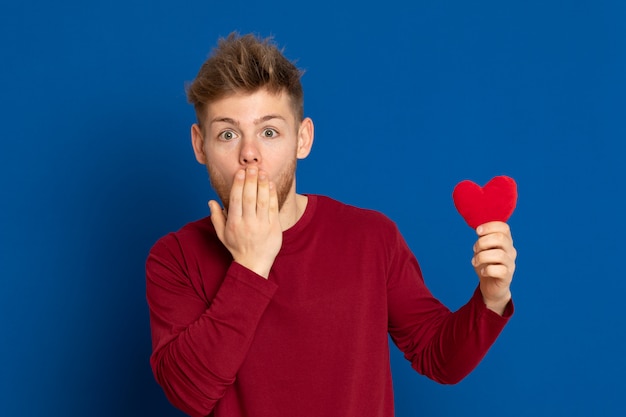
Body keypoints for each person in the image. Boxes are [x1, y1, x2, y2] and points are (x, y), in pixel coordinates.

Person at [146, 32, 517, 417]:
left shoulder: (372, 238)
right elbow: (188, 393)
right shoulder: (174, 258)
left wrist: (491, 298)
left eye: (269, 132)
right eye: (227, 134)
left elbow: (440, 358)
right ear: (199, 145)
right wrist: (250, 266)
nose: (249, 154)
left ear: (302, 139)